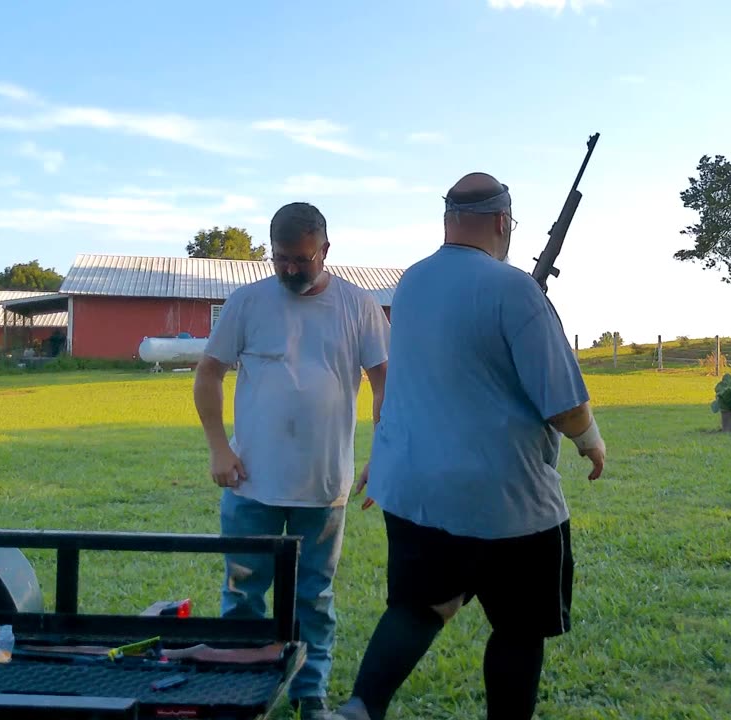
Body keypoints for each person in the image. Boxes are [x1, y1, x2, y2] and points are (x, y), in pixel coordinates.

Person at [332, 173, 606, 720]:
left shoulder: (410, 284)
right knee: (520, 628)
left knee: (419, 606)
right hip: (506, 501)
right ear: (504, 223)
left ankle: (361, 708)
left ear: (446, 220)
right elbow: (563, 403)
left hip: (416, 491)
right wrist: (590, 439)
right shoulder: (516, 290)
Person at [193, 201, 390, 720]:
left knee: (315, 599)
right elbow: (208, 373)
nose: (290, 269)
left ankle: (310, 696)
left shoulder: (359, 306)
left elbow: (384, 383)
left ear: (325, 250)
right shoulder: (247, 303)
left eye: (302, 259)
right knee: (242, 595)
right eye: (281, 258)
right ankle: (240, 692)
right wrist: (218, 446)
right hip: (251, 481)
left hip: (324, 486)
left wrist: (384, 453)